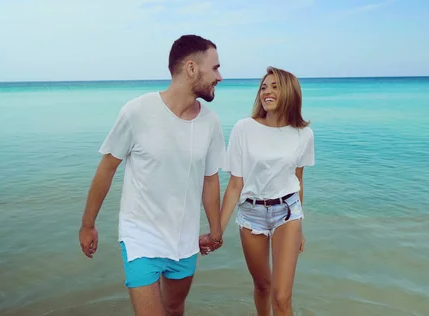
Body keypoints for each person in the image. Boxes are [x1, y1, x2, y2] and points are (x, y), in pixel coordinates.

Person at [78, 34, 225, 316]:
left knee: (174, 309)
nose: (220, 76)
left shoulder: (211, 122)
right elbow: (107, 168)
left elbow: (210, 178)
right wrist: (88, 224)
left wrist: (216, 230)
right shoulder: (137, 112)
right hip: (140, 237)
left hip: (184, 239)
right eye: (215, 67)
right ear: (192, 68)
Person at [214, 66, 315, 316]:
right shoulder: (243, 128)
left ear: (289, 92)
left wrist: (300, 229)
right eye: (263, 87)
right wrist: (217, 230)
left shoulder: (304, 134)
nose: (266, 92)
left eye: (274, 87)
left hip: (288, 213)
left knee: (281, 297)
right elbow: (235, 184)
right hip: (251, 214)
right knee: (262, 286)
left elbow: (298, 181)